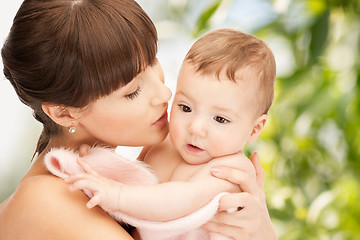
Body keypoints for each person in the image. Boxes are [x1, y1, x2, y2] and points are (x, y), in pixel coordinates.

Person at [0, 0, 277, 239]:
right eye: (132, 92)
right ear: (65, 112)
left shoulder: (122, 170)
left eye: (153, 60)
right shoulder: (45, 201)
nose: (164, 93)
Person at [65, 28, 278, 239]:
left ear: (255, 129)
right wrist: (101, 164)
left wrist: (117, 195)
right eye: (185, 108)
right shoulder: (165, 142)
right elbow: (135, 184)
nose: (195, 128)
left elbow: (178, 200)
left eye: (220, 119)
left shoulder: (230, 171)